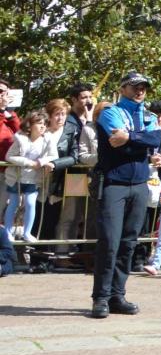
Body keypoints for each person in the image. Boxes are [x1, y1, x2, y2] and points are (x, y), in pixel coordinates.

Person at [92, 72, 161, 318]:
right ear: (123, 88)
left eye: (144, 87)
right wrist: (139, 141)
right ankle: (100, 297)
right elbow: (116, 139)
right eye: (135, 86)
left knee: (128, 243)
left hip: (139, 185)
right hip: (114, 183)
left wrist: (132, 138)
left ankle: (117, 294)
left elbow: (155, 137)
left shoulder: (148, 115)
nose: (140, 91)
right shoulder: (110, 112)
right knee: (110, 242)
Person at [53, 84, 99, 255]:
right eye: (84, 97)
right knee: (70, 215)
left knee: (85, 217)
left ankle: (80, 253)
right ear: (74, 99)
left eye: (90, 96)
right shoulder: (69, 120)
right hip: (73, 174)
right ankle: (61, 253)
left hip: (89, 174)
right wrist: (88, 121)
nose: (88, 100)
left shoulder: (91, 117)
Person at [6, 109, 57, 243]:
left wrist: (41, 162)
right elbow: (9, 156)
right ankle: (7, 231)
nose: (42, 126)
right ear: (30, 124)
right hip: (16, 177)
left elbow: (54, 155)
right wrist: (28, 162)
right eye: (39, 123)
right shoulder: (20, 138)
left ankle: (27, 233)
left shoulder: (47, 139)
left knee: (30, 203)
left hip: (33, 178)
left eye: (45, 124)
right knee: (14, 203)